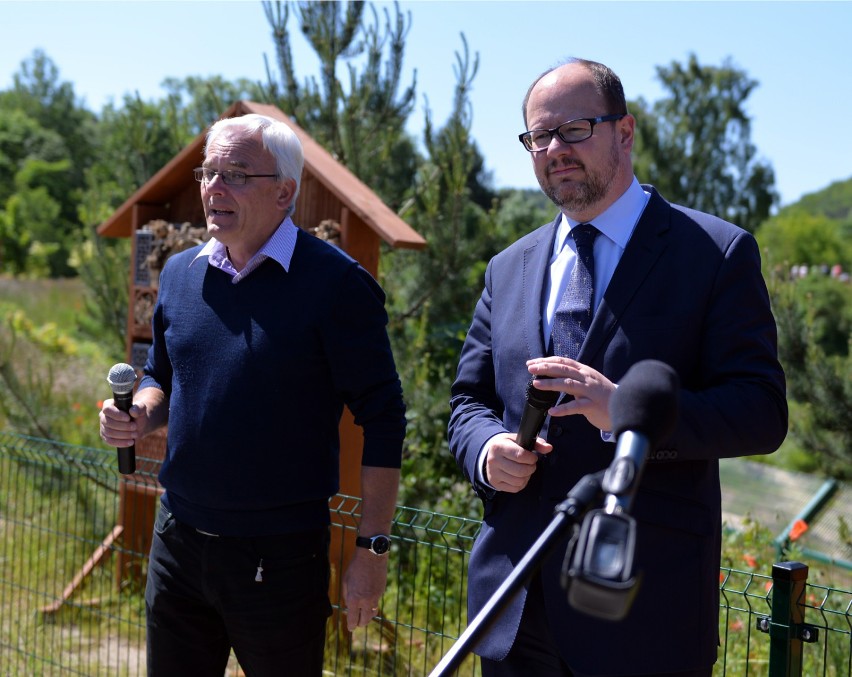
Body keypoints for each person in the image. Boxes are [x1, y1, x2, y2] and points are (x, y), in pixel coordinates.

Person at [448, 58, 787, 677]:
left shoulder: (713, 253)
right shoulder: (508, 267)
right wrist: (487, 449)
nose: (555, 149)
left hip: (641, 610)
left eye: (575, 130)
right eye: (538, 137)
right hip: (513, 605)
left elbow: (761, 412)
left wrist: (625, 413)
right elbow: (467, 402)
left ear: (624, 131)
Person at [99, 113, 406, 676]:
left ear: (285, 192)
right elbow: (162, 377)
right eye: (208, 172)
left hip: (281, 557)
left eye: (236, 174)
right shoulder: (178, 275)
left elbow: (384, 417)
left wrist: (372, 549)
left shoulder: (337, 285)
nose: (214, 188)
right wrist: (140, 414)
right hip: (177, 544)